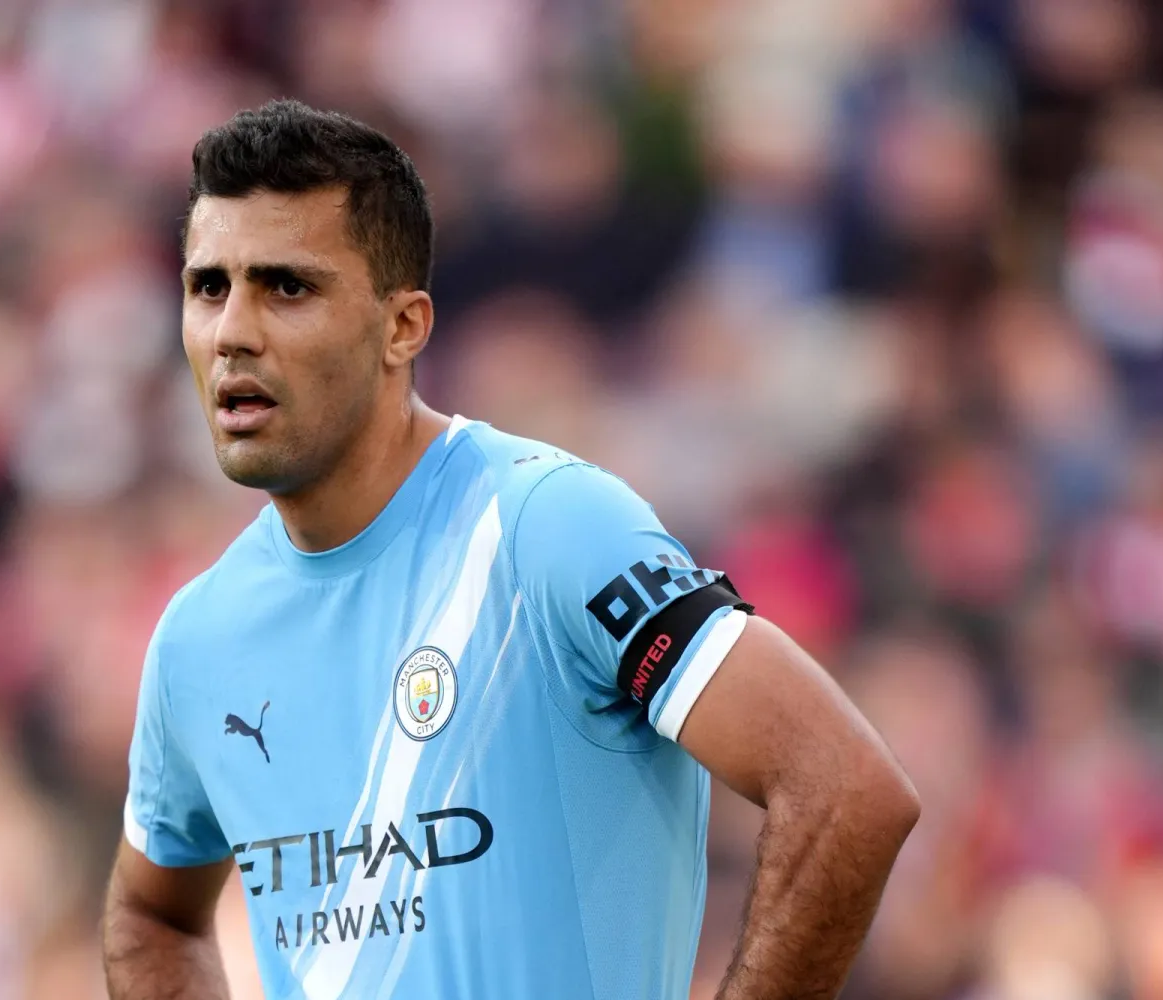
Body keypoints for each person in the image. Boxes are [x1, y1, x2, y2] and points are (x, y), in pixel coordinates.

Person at [101, 99, 920, 1000]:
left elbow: (846, 790)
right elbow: (153, 917)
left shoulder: (547, 528)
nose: (232, 332)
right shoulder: (199, 635)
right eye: (208, 287)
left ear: (404, 327)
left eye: (286, 287)